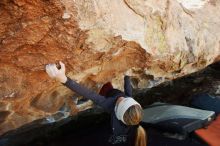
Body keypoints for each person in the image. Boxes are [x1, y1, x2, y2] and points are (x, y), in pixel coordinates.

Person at [45, 61, 147, 146]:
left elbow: (87, 93)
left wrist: (63, 79)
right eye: (126, 99)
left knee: (102, 84)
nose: (122, 98)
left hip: (105, 92)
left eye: (121, 102)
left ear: (117, 110)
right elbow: (128, 88)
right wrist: (127, 73)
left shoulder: (107, 103)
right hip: (118, 104)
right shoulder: (129, 103)